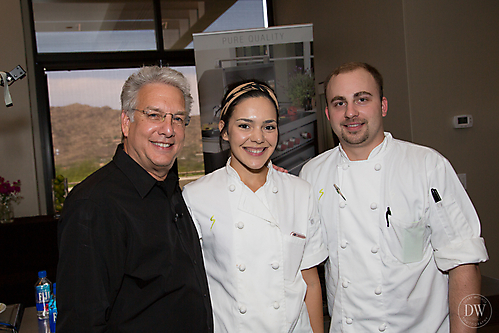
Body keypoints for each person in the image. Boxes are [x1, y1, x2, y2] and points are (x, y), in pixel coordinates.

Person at [300, 62, 489, 332]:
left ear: (383, 106)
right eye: (339, 103)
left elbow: (464, 262)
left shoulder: (426, 166)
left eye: (362, 99)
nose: (351, 112)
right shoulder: (313, 174)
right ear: (328, 113)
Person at [56, 66, 213, 333]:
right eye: (154, 115)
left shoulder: (170, 191)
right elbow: (82, 323)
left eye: (178, 118)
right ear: (126, 123)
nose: (168, 129)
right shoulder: (94, 206)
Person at [182, 81, 328, 333]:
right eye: (244, 126)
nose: (258, 138)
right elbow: (190, 289)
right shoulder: (196, 197)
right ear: (224, 130)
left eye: (268, 126)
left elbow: (311, 283)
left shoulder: (300, 192)